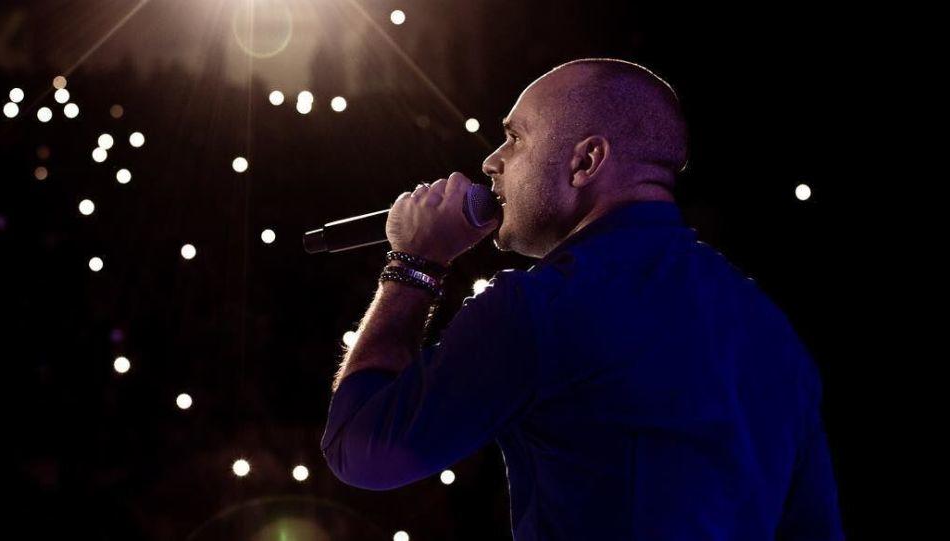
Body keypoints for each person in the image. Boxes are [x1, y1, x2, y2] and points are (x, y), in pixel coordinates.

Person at [320, 58, 843, 540]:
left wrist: (415, 263)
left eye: (514, 138)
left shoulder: (539, 307)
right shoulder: (771, 329)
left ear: (586, 161)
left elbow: (359, 450)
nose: (491, 162)